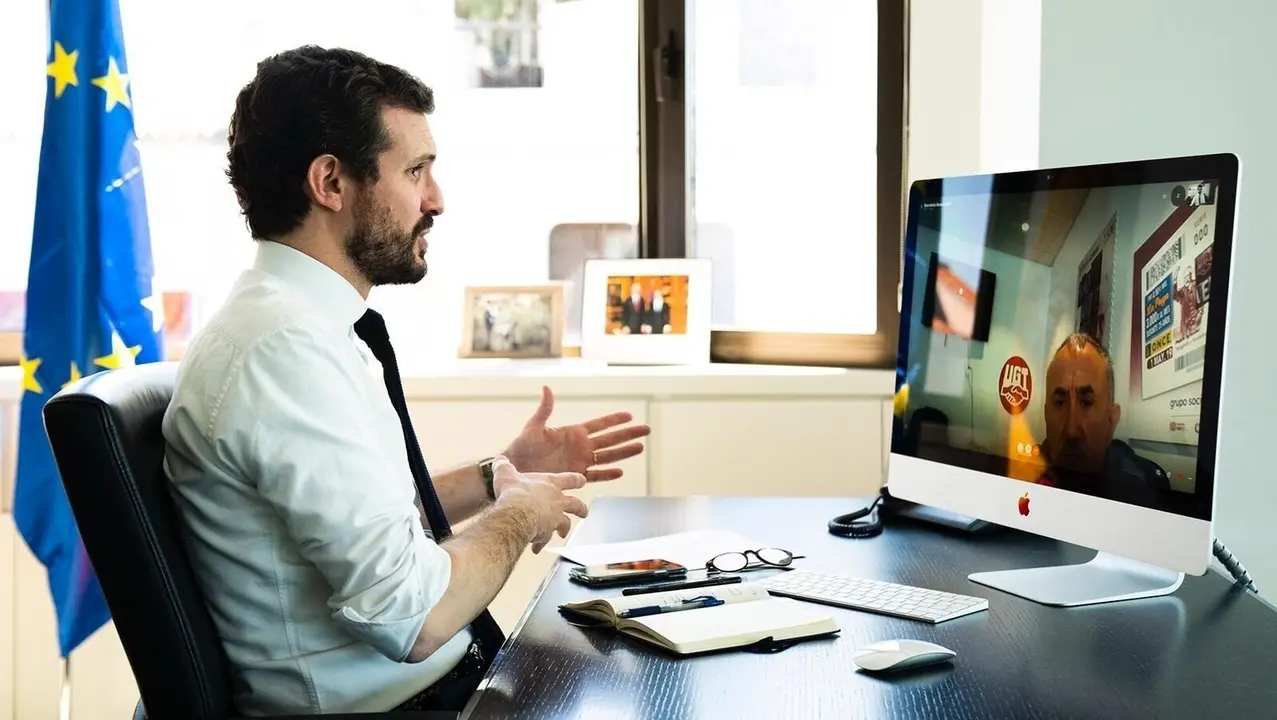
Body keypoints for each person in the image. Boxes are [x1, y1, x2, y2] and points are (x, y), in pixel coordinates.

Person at [160, 46, 651, 716]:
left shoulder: (299, 328)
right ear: (330, 183)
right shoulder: (282, 352)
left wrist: (499, 472)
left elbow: (370, 529)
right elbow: (411, 616)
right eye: (415, 170)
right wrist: (518, 512)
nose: (436, 200)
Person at [1037, 332, 1170, 505]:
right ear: (1046, 414)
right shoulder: (1017, 479)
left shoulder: (1146, 486)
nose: (1071, 431)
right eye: (1060, 403)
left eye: (1086, 403)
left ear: (1112, 419)